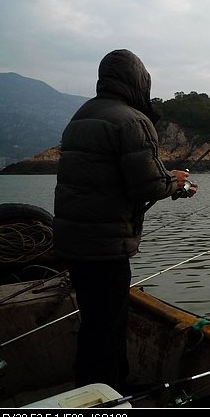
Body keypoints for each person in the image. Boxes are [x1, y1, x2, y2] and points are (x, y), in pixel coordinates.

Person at [53, 49, 197, 392]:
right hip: (105, 246)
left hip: (74, 242)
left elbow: (111, 177)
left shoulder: (83, 114)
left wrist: (166, 180)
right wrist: (177, 182)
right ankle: (105, 400)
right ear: (136, 81)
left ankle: (99, 391)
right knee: (107, 331)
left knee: (95, 325)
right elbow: (145, 183)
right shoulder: (132, 120)